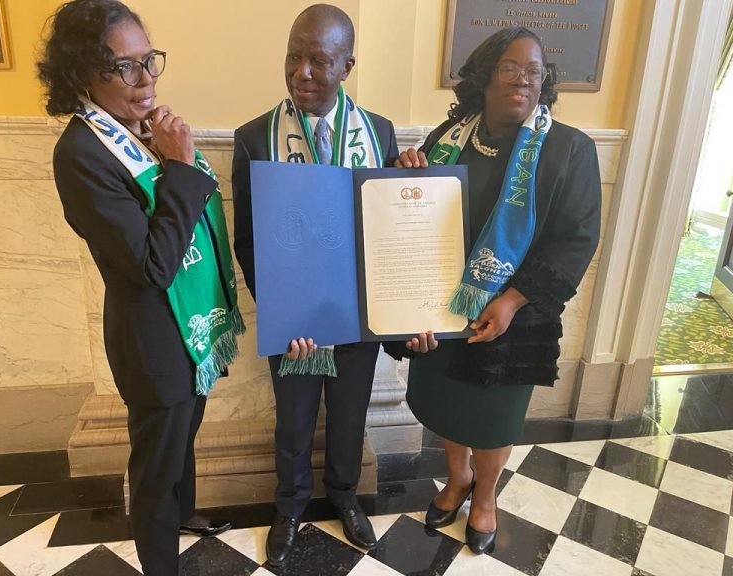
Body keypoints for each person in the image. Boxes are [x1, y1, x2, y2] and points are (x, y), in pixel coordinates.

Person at [38, 1, 244, 574]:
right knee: (156, 463)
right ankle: (161, 560)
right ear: (84, 74)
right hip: (152, 340)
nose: (147, 78)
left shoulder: (135, 131)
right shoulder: (81, 153)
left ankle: (187, 511)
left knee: (186, 433)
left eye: (148, 60)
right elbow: (152, 265)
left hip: (189, 324)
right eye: (125, 67)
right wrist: (178, 166)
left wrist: (174, 157)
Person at [233, 4, 436, 567]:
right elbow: (245, 239)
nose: (302, 73)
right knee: (293, 416)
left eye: (319, 61)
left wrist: (411, 186)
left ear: (347, 66)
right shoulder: (256, 138)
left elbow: (391, 227)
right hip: (296, 319)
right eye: (294, 57)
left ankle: (344, 496)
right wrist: (280, 310)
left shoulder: (380, 133)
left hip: (354, 315)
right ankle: (291, 507)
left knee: (349, 412)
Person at [394, 27, 601, 554]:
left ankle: (484, 495)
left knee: (492, 416)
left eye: (535, 72)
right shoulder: (451, 134)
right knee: (448, 405)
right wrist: (405, 174)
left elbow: (577, 238)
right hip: (446, 303)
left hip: (516, 314)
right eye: (511, 68)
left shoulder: (568, 149)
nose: (524, 80)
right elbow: (418, 209)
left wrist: (510, 300)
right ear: (486, 76)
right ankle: (457, 478)